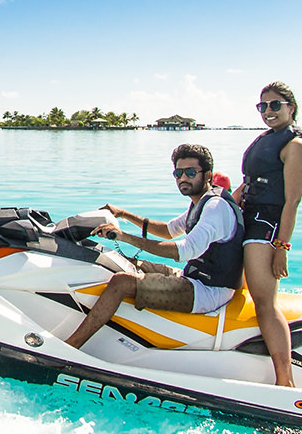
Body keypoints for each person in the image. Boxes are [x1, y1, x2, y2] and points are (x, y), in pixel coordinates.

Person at [62, 143, 244, 350]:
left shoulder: (215, 207)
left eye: (190, 172)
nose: (183, 178)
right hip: (194, 277)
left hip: (209, 292)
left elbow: (183, 250)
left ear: (208, 175)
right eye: (178, 173)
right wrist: (124, 214)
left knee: (121, 282)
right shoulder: (201, 202)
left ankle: (70, 347)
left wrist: (125, 237)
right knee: (120, 262)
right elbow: (169, 230)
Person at [233, 82, 302, 387]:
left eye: (275, 105)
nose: (268, 111)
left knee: (265, 302)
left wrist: (282, 246)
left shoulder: (296, 145)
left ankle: (285, 381)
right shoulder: (266, 139)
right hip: (246, 219)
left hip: (266, 228)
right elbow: (248, 183)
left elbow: (293, 200)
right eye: (263, 106)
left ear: (291, 108)